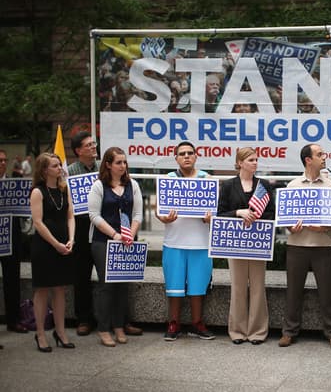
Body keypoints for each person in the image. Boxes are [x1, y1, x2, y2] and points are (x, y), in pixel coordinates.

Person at [278, 144, 331, 349]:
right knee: (293, 291)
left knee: (329, 291)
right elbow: (284, 217)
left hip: (323, 245)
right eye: (320, 154)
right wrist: (290, 226)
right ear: (308, 160)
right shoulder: (293, 185)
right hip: (297, 245)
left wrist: (325, 226)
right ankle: (289, 332)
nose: (324, 157)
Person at [156, 141, 215, 342]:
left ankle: (197, 323)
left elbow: (216, 210)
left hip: (200, 242)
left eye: (190, 153)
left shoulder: (206, 179)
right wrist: (163, 218)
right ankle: (174, 323)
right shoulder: (169, 179)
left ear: (196, 156)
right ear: (176, 158)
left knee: (198, 287)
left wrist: (211, 217)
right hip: (174, 241)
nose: (187, 156)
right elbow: (158, 209)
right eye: (182, 153)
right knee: (174, 286)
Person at [218, 147, 275, 345]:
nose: (255, 163)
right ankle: (237, 331)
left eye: (256, 160)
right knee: (238, 287)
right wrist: (238, 213)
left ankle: (258, 331)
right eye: (251, 159)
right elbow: (220, 214)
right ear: (240, 163)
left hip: (258, 243)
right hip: (235, 244)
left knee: (258, 287)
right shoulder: (227, 186)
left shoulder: (264, 185)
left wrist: (256, 217)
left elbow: (271, 214)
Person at [88, 147, 142, 347]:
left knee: (122, 285)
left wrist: (130, 234)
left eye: (124, 162)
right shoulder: (99, 186)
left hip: (127, 241)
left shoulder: (132, 185)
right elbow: (94, 216)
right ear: (108, 164)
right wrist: (115, 235)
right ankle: (103, 328)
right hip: (103, 241)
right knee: (106, 285)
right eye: (118, 162)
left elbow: (137, 214)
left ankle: (119, 325)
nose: (123, 166)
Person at [29, 153, 75, 352]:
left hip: (64, 243)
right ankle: (40, 334)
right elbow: (37, 222)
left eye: (59, 165)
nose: (60, 168)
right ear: (44, 170)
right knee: (42, 289)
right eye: (55, 166)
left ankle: (61, 331)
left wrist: (71, 239)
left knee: (60, 289)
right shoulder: (38, 192)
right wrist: (56, 244)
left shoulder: (65, 190)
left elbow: (71, 216)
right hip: (45, 246)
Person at [67, 131, 99, 336]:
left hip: (102, 228)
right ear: (78, 151)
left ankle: (114, 319)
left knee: (110, 277)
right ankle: (84, 319)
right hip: (79, 229)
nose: (94, 147)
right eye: (88, 145)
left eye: (94, 143)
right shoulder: (69, 172)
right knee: (81, 276)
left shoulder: (103, 169)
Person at [0, 149, 28, 335]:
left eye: (4, 160)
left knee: (12, 280)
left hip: (10, 236)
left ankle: (14, 320)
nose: (2, 163)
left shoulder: (14, 183)